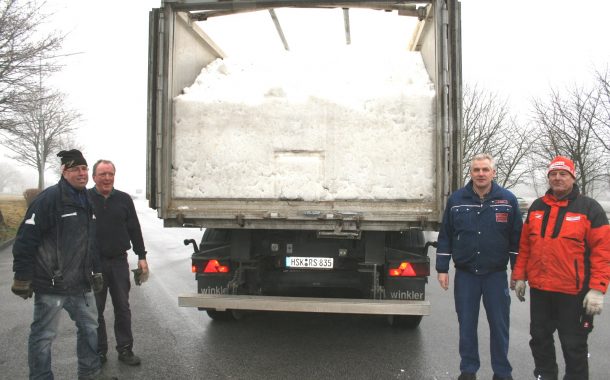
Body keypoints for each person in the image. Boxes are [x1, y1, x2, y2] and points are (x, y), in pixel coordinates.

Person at [11, 149, 117, 380]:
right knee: (43, 335)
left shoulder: (85, 199)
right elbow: (25, 239)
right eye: (76, 169)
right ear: (64, 171)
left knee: (90, 328)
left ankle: (89, 373)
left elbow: (91, 241)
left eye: (84, 168)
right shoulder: (48, 199)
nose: (82, 173)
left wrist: (96, 270)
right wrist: (22, 276)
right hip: (52, 283)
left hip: (81, 283)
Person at [512, 156, 610, 380]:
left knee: (573, 344)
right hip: (541, 290)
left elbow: (603, 253)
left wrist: (597, 289)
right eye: (553, 174)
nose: (557, 178)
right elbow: (525, 246)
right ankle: (545, 376)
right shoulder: (537, 207)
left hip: (573, 293)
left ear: (572, 178)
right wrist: (519, 276)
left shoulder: (590, 208)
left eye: (563, 174)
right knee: (539, 338)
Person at [436, 153, 522, 380]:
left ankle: (502, 372)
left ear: (493, 172)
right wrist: (442, 269)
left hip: (495, 275)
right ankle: (468, 369)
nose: (481, 174)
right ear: (471, 173)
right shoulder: (456, 200)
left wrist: (517, 272)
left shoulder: (508, 200)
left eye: (485, 170)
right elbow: (446, 236)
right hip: (466, 275)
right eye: (476, 170)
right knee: (466, 325)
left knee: (499, 326)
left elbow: (516, 240)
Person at [89, 159, 149, 366]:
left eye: (110, 174)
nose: (107, 178)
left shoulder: (124, 199)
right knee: (95, 310)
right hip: (93, 265)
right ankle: (99, 351)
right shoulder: (84, 199)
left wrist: (141, 256)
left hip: (118, 262)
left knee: (122, 307)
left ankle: (125, 349)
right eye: (103, 174)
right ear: (94, 176)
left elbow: (134, 228)